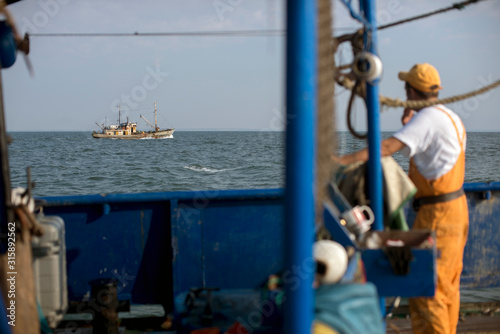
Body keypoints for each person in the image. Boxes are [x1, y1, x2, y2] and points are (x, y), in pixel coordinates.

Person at [338, 63, 468, 334]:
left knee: (427, 290)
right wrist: (411, 120)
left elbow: (386, 147)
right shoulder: (449, 116)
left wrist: (341, 161)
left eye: (406, 87)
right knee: (447, 288)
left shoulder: (428, 118)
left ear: (411, 90)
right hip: (456, 209)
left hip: (438, 213)